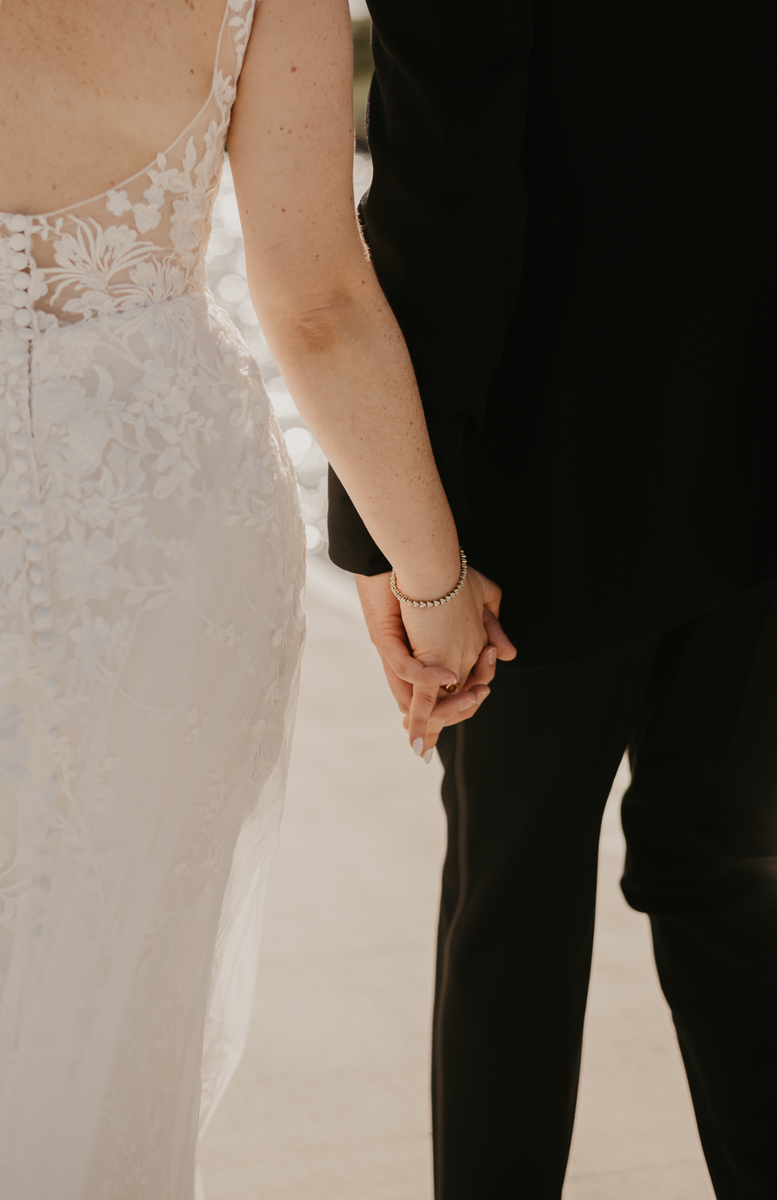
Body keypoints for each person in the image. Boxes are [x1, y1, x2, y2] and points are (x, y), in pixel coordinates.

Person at [0, 2, 502, 1196]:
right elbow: (317, 301)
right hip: (158, 526)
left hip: (155, 530)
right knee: (112, 995)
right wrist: (432, 588)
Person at [328, 1, 777, 1196]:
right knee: (722, 860)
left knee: (515, 896)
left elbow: (444, 187)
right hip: (770, 437)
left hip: (550, 478)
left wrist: (401, 536)